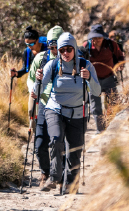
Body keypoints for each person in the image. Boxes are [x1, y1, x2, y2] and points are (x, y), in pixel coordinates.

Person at [34, 32, 101, 193]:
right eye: (62, 49)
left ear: (74, 49)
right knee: (56, 139)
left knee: (74, 151)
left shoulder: (86, 65)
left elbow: (97, 92)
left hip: (78, 113)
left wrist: (90, 77)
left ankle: (70, 186)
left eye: (69, 49)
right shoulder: (52, 65)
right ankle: (55, 175)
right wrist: (38, 80)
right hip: (55, 109)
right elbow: (38, 91)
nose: (65, 53)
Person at [26, 25, 63, 187]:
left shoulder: (71, 58)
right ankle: (45, 173)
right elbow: (30, 78)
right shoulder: (41, 58)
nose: (54, 49)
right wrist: (32, 89)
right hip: (43, 102)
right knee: (40, 142)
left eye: (57, 46)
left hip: (63, 105)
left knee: (58, 142)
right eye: (51, 46)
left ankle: (59, 175)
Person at [79, 24, 124, 133]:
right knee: (95, 107)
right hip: (93, 80)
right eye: (94, 38)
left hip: (109, 78)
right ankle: (101, 130)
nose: (96, 40)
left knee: (114, 103)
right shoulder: (86, 46)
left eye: (99, 37)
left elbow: (120, 57)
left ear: (103, 36)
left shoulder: (111, 44)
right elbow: (80, 60)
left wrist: (120, 65)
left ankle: (112, 127)